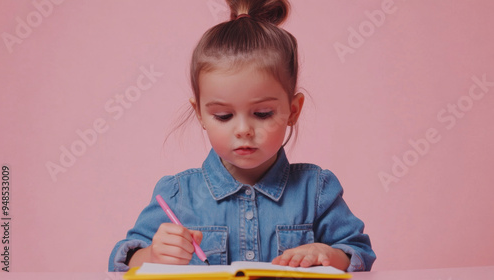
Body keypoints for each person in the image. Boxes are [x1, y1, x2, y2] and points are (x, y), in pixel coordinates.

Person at [109, 0, 376, 272]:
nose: (243, 130)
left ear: (293, 110)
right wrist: (152, 254)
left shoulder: (317, 190)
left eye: (262, 113)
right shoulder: (177, 194)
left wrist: (329, 254)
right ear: (200, 113)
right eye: (224, 116)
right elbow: (121, 262)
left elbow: (359, 252)